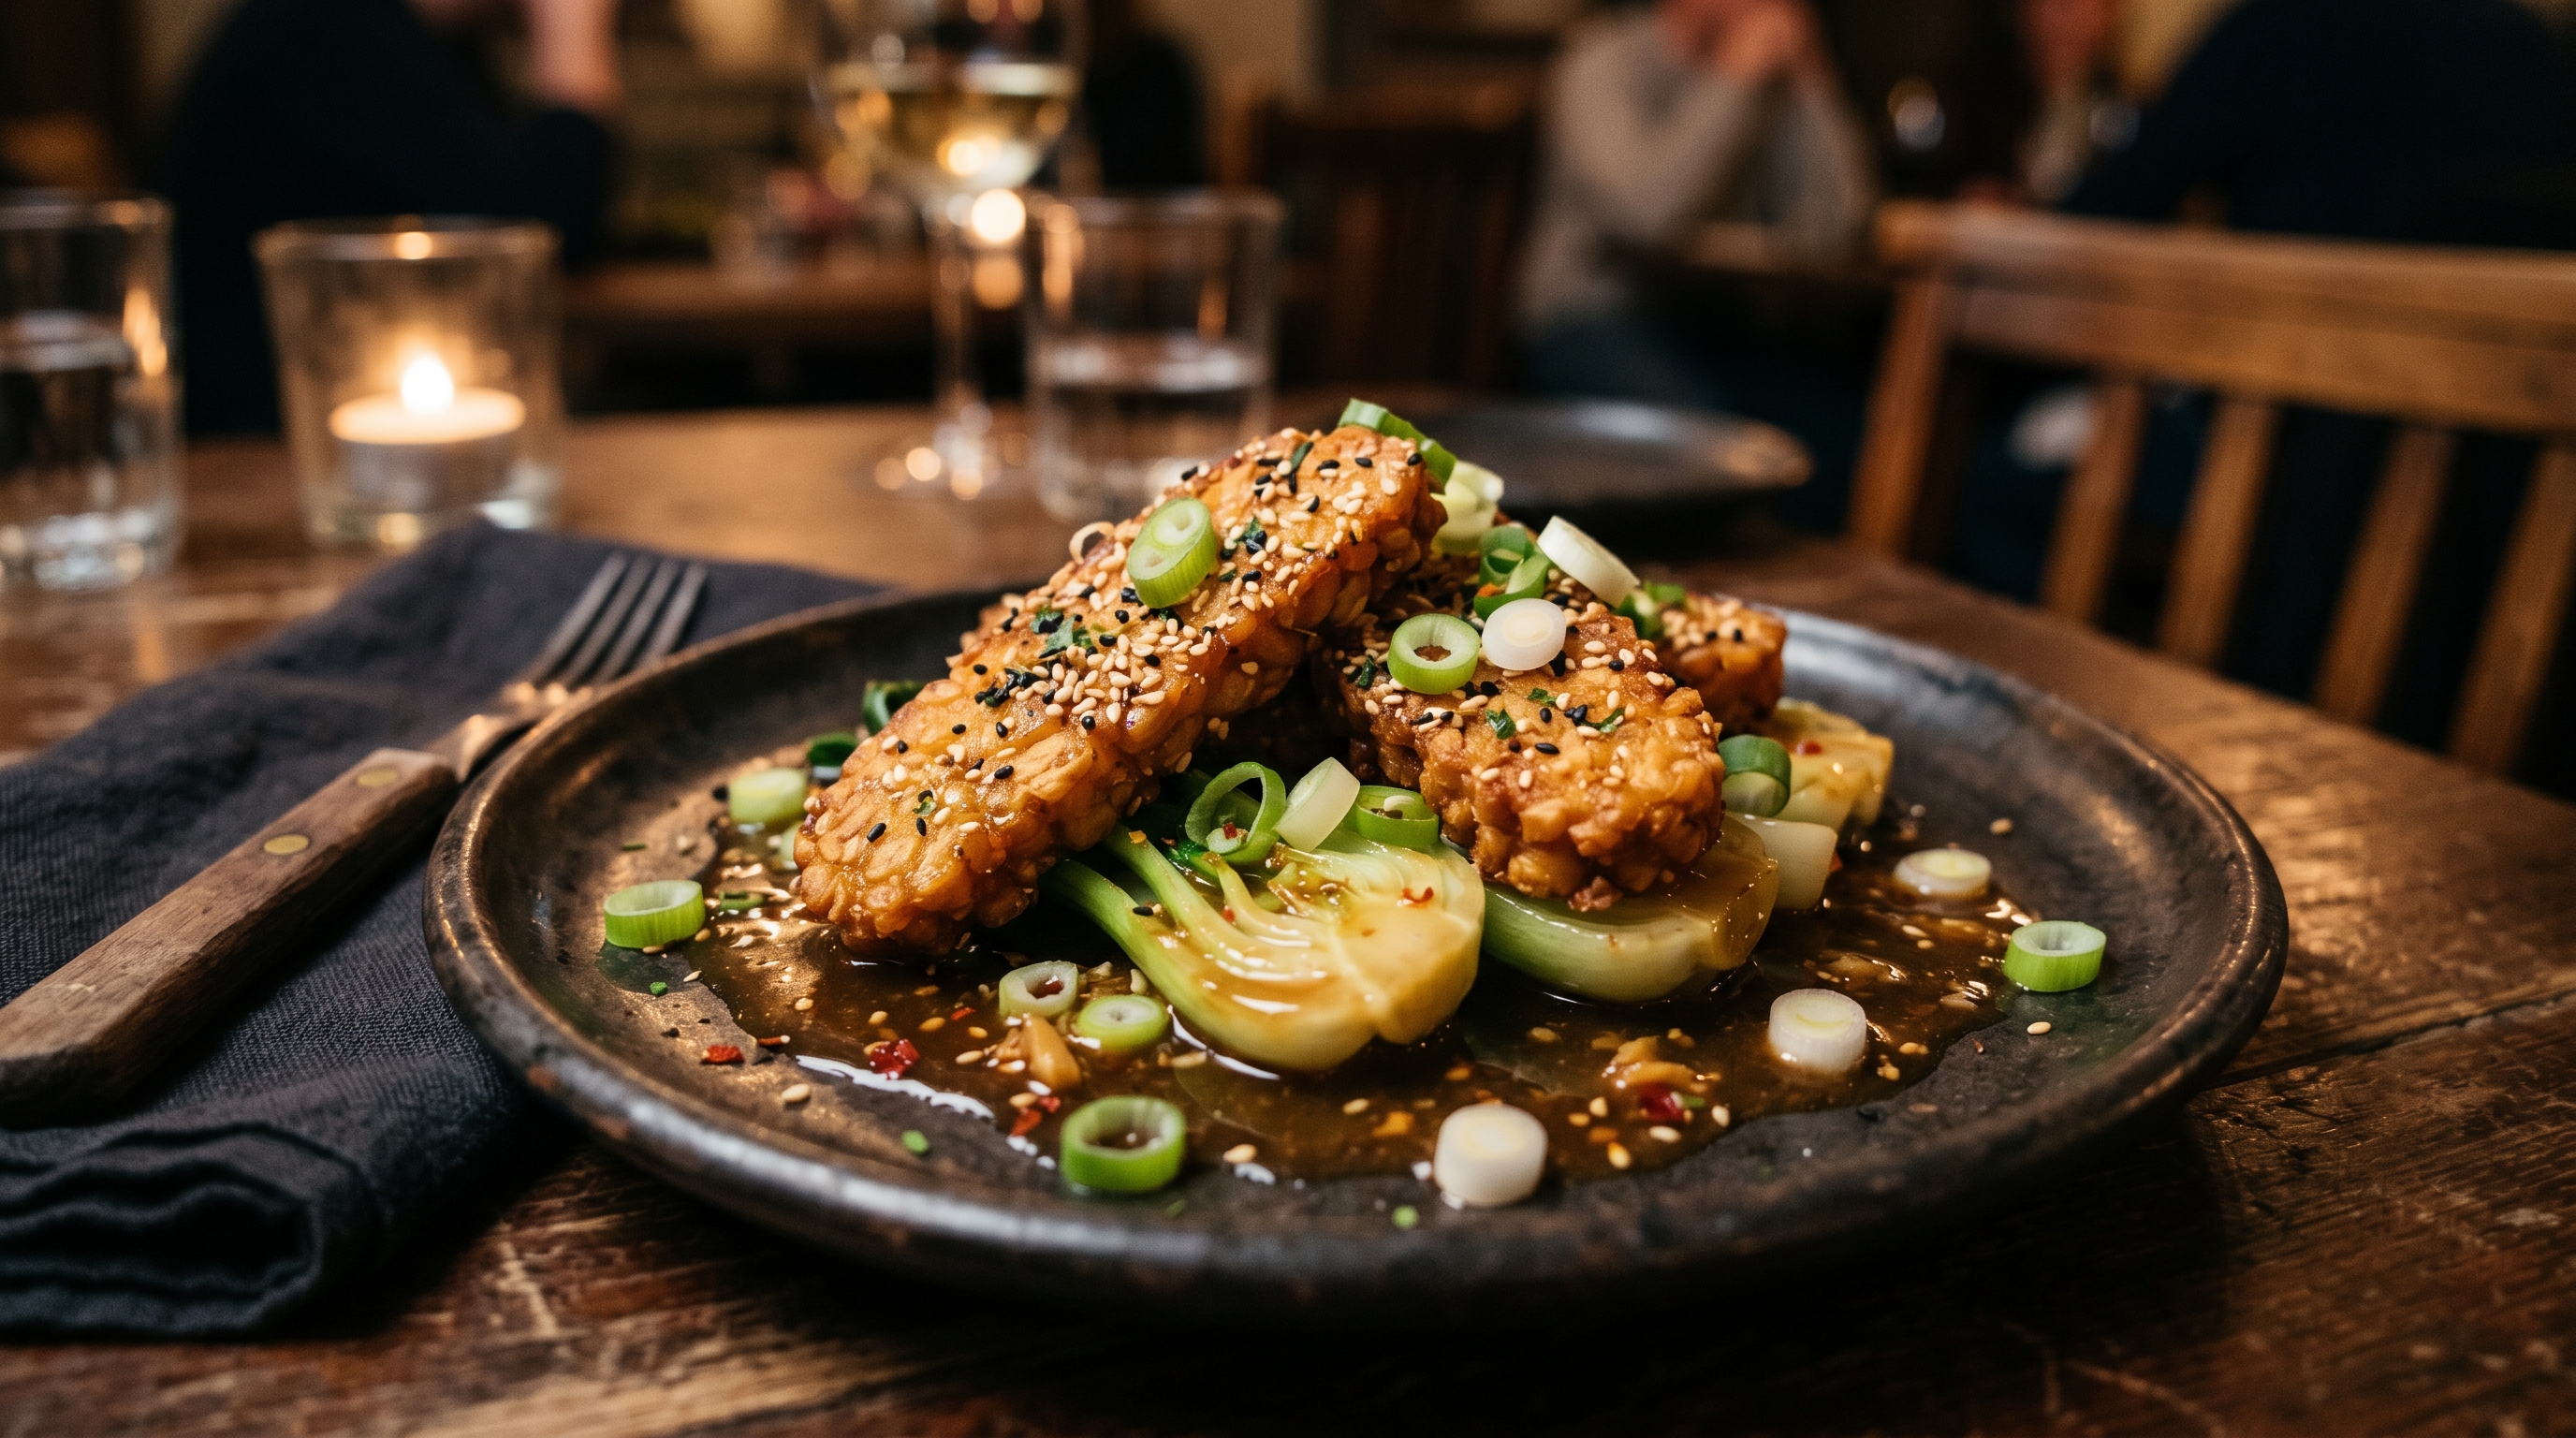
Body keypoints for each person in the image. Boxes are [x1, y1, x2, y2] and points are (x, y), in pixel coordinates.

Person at [1952, 0, 2576, 749]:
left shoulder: (2283, 26)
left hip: (2284, 500)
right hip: (2508, 575)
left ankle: (2033, 740)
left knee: (1991, 478)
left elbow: (2106, 218)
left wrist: (2013, 217)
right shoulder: (2537, 47)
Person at [161, 0, 624, 435]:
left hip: (333, 425)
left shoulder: (421, 37)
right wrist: (573, 47)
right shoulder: (326, 24)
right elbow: (539, 225)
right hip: (260, 445)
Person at [1516, 0, 1878, 418]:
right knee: (1720, 439)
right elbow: (1645, 216)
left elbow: (1842, 223)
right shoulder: (1601, 59)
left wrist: (1815, 85)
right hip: (1588, 321)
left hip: (1717, 329)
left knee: (1857, 432)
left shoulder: (1772, 76)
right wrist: (1730, 79)